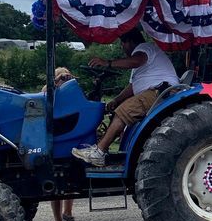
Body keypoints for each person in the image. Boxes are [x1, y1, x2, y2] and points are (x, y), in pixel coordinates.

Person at [72, 28, 179, 166]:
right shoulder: (141, 62)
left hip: (160, 92)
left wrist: (107, 63)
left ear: (129, 41)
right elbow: (132, 86)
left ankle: (98, 152)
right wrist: (116, 100)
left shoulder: (144, 49)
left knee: (123, 112)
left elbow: (135, 61)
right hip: (154, 92)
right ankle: (101, 148)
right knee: (119, 109)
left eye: (122, 43)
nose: (122, 47)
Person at [47, 67, 79, 221]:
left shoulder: (70, 92)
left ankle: (67, 213)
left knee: (69, 183)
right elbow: (45, 92)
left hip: (69, 138)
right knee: (57, 184)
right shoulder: (49, 92)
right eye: (61, 76)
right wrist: (56, 81)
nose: (64, 80)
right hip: (56, 140)